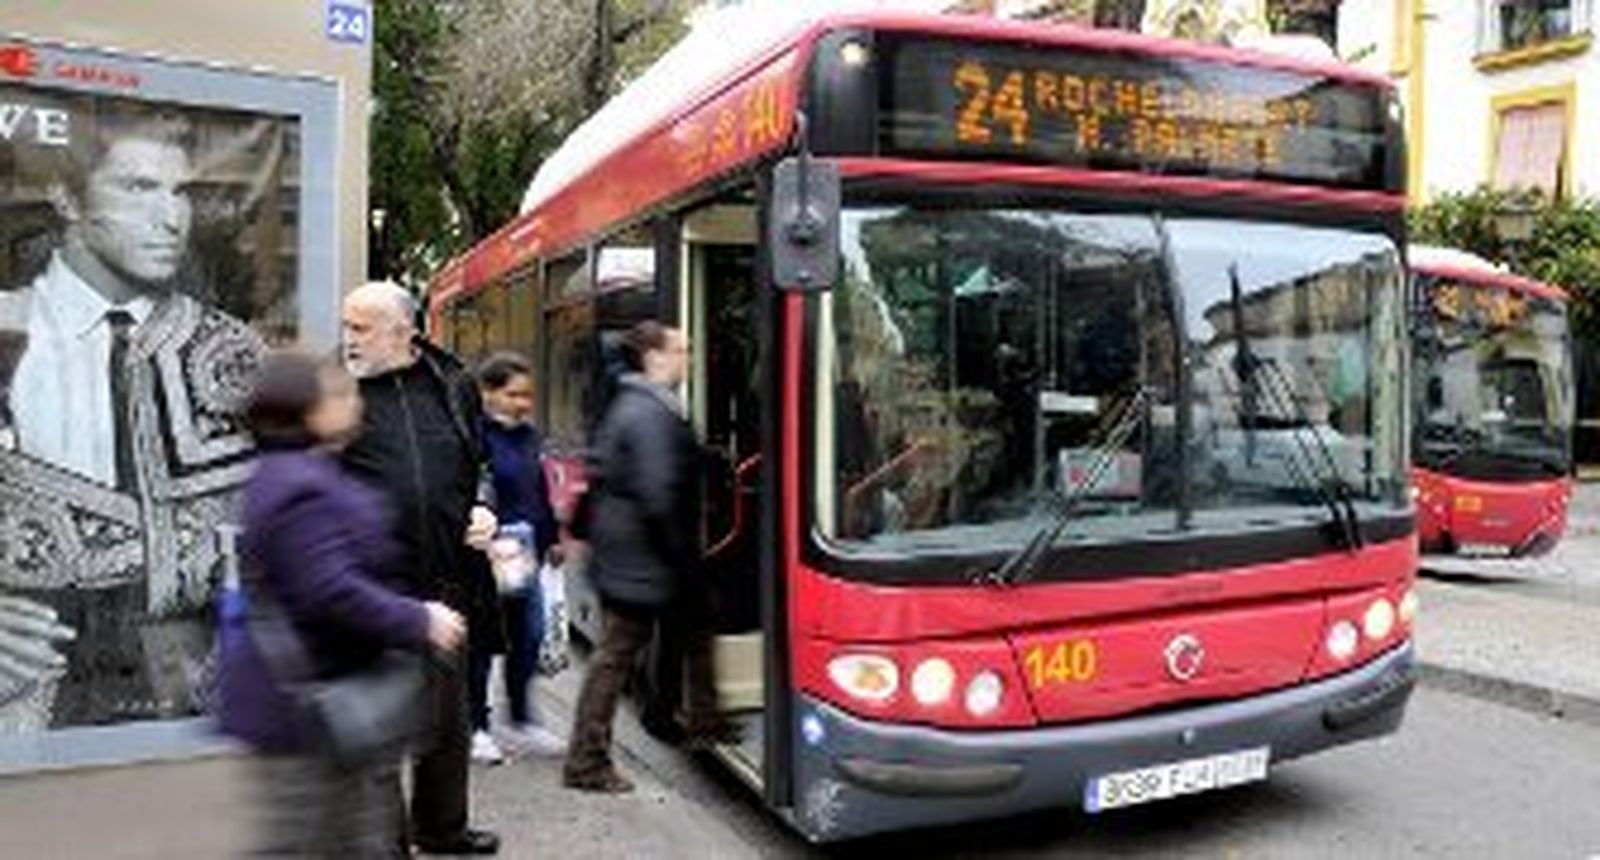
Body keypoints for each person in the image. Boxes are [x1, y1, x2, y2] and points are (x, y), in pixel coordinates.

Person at [0, 103, 264, 728]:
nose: (170, 217)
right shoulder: (8, 329)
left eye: (180, 192)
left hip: (188, 691)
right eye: (139, 187)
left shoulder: (234, 351)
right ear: (67, 198)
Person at [221, 349, 465, 858]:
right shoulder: (299, 485)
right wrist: (419, 618)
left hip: (321, 701)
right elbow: (330, 589)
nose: (354, 402)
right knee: (314, 842)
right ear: (307, 409)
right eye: (339, 393)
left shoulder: (296, 471)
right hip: (310, 708)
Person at [339, 281, 501, 856]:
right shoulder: (335, 388)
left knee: (445, 720)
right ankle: (385, 845)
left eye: (361, 328)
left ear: (405, 332)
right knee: (378, 725)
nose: (348, 339)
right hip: (372, 585)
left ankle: (442, 828)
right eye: (346, 325)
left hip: (445, 579)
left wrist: (484, 505)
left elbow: (482, 462)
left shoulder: (452, 383)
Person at [563, 321, 729, 794]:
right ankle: (586, 761)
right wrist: (684, 559)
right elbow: (659, 494)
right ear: (654, 356)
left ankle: (696, 720)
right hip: (644, 559)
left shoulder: (635, 403)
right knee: (614, 659)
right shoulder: (650, 412)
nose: (688, 359)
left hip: (635, 555)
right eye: (681, 350)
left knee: (692, 631)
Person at [468, 351, 566, 765]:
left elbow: (538, 490)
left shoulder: (527, 436)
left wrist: (552, 538)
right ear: (488, 393)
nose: (523, 403)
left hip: (526, 553)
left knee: (527, 636)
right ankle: (476, 726)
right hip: (489, 552)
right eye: (513, 394)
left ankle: (521, 718)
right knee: (483, 643)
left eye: (527, 395)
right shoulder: (475, 438)